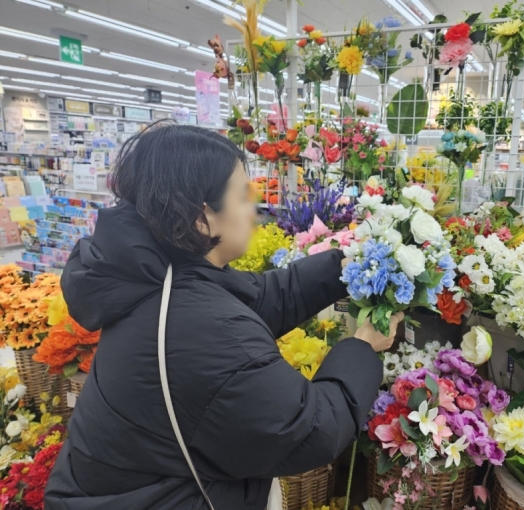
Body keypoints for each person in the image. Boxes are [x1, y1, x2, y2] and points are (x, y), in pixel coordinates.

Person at [45, 123, 402, 509]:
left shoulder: (162, 274)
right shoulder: (201, 328)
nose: (255, 208)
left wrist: (344, 268)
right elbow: (310, 429)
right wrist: (362, 348)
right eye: (243, 195)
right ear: (203, 217)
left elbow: (260, 298)